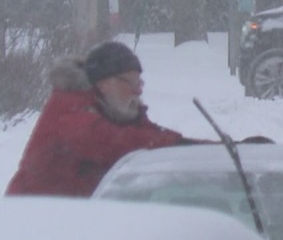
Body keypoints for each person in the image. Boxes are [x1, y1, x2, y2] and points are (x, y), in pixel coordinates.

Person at [6, 41, 199, 197]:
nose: (138, 90)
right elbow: (120, 142)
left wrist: (203, 148)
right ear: (105, 83)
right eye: (130, 82)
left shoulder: (116, 110)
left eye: (139, 82)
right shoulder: (69, 113)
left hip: (76, 220)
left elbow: (150, 135)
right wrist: (180, 144)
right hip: (33, 223)